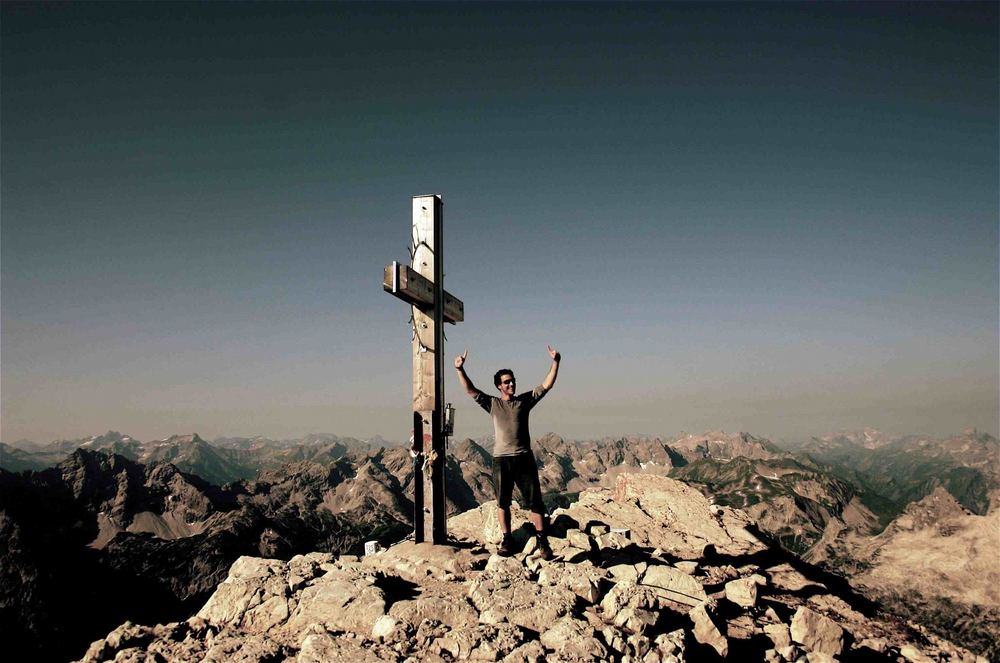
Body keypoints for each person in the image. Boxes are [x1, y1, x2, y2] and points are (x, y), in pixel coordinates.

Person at [454, 345, 561, 559]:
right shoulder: (492, 404)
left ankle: (542, 541)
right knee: (503, 502)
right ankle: (507, 539)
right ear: (499, 386)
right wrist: (460, 369)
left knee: (535, 501)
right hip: (501, 460)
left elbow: (546, 385)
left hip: (524, 458)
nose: (511, 384)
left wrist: (556, 361)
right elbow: (470, 390)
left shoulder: (524, 401)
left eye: (512, 380)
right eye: (506, 382)